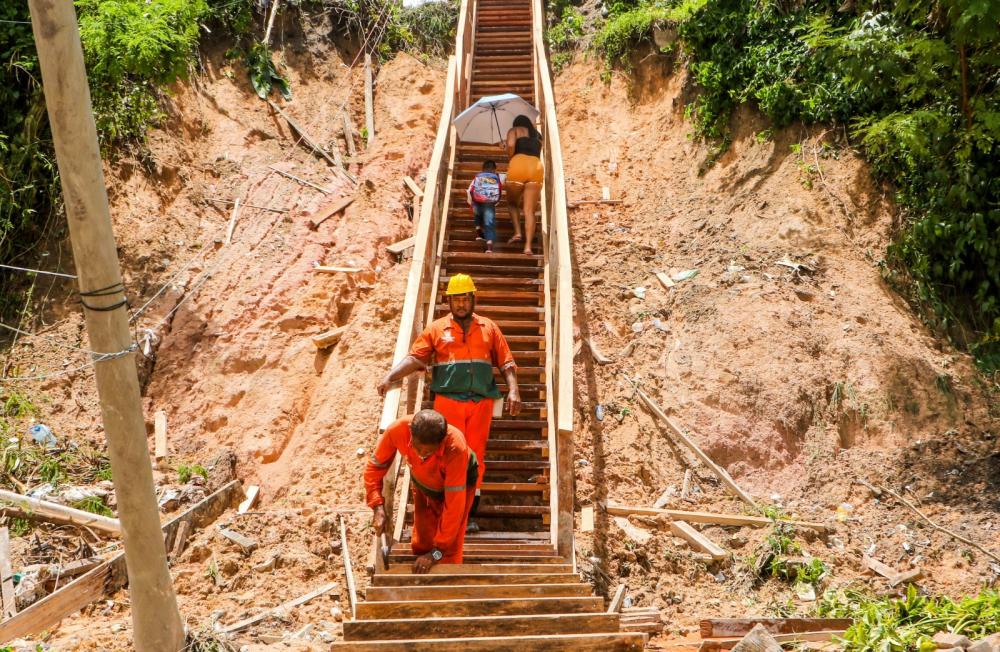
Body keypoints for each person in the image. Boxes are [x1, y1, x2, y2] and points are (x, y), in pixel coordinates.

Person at [378, 273, 521, 531]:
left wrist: (513, 391)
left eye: (466, 298)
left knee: (474, 457)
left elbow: (506, 362)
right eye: (456, 299)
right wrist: (390, 376)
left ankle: (466, 517)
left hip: (481, 403)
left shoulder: (488, 327)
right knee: (444, 454)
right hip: (448, 402)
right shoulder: (436, 329)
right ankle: (440, 514)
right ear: (449, 301)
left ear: (473, 299)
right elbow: (415, 358)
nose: (461, 304)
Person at [365, 410, 477, 572]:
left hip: (460, 485)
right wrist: (377, 505)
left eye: (428, 451)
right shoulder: (397, 430)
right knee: (423, 539)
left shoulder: (455, 448)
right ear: (410, 432)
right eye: (417, 448)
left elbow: (453, 508)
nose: (421, 454)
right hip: (423, 481)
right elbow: (374, 468)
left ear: (442, 441)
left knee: (449, 550)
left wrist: (436, 553)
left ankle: (445, 581)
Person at [504, 114, 544, 255]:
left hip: (518, 164)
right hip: (536, 167)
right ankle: (527, 247)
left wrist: (508, 153)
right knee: (529, 211)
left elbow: (510, 145)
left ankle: (517, 232)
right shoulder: (538, 135)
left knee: (512, 203)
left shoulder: (514, 130)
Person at [466, 160, 502, 254]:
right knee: (489, 224)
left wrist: (472, 202)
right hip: (490, 204)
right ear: (494, 169)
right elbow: (499, 192)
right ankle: (489, 248)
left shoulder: (478, 176)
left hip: (477, 202)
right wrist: (495, 202)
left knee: (477, 216)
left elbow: (470, 190)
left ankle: (478, 232)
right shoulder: (496, 177)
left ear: (483, 168)